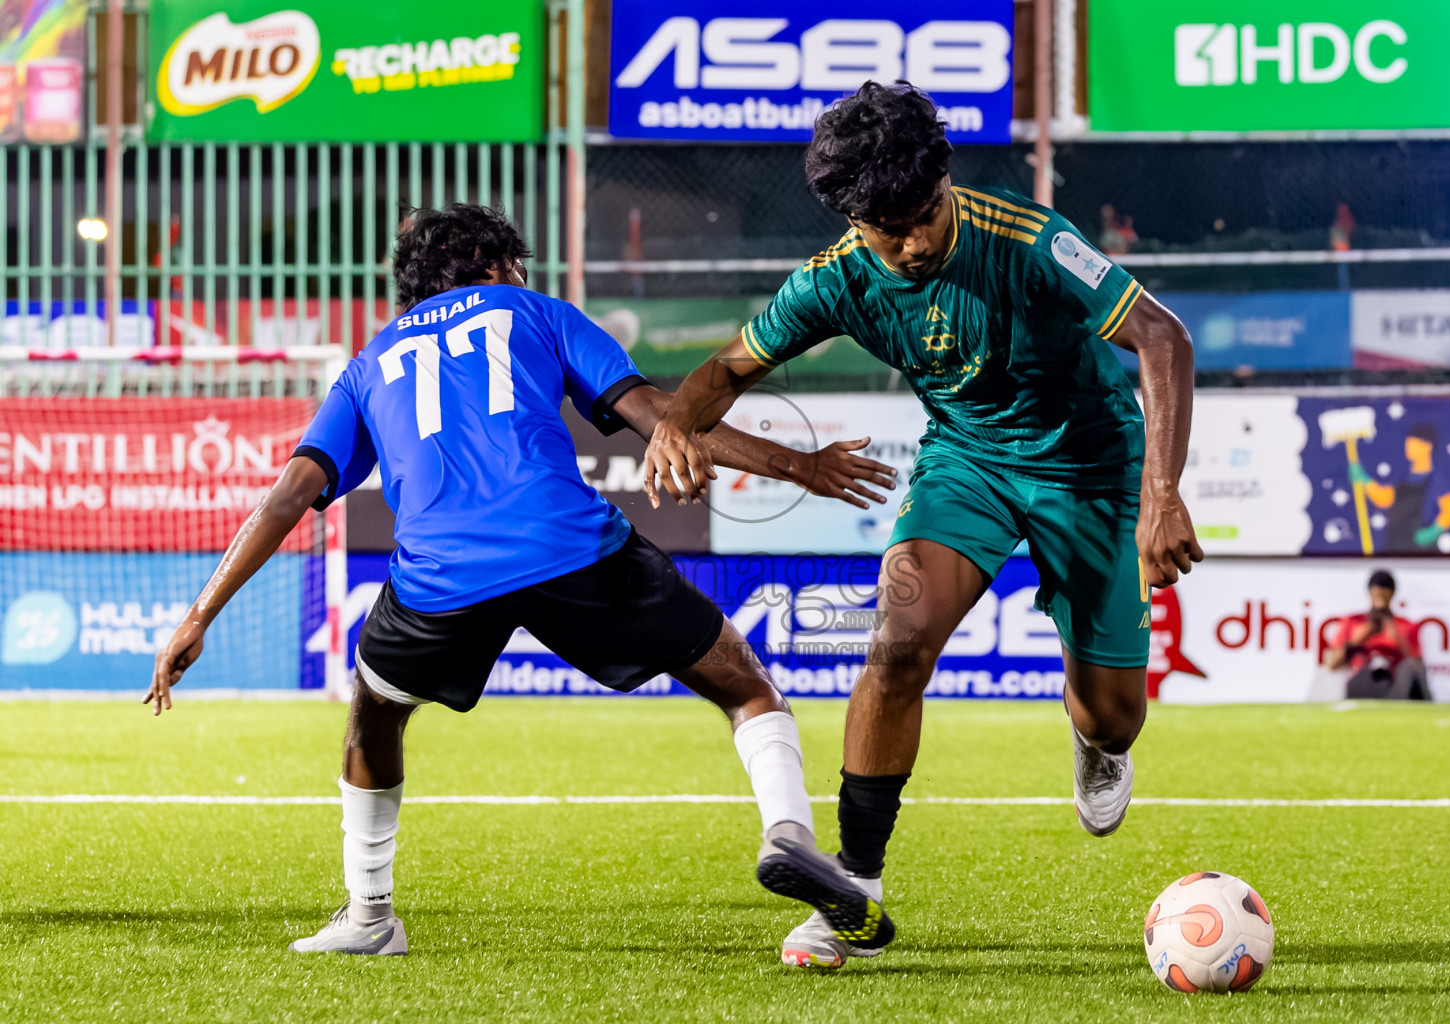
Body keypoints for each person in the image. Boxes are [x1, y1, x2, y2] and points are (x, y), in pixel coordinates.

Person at [145, 203, 901, 957]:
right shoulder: (537, 310)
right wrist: (801, 464)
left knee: (374, 714)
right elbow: (662, 416)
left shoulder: (369, 362)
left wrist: (199, 616)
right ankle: (789, 835)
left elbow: (287, 495)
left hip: (440, 578)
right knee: (744, 688)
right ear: (495, 262)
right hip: (570, 548)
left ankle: (371, 915)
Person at [642, 83, 1202, 969]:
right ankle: (852, 892)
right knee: (897, 640)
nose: (909, 244)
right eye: (884, 228)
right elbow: (728, 366)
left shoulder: (1030, 239)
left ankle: (1096, 742)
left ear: (945, 183)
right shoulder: (837, 278)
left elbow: (1163, 338)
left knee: (1115, 714)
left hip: (1096, 470)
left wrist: (1162, 494)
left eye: (922, 218)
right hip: (968, 465)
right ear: (851, 219)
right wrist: (677, 420)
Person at [1324, 569, 1430, 701]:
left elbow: (1416, 667)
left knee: (1410, 669)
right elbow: (1332, 664)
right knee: (1364, 674)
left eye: (1384, 593)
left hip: (1394, 683)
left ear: (1392, 595)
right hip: (1363, 678)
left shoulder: (1405, 626)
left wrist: (1398, 640)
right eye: (1377, 593)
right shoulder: (1353, 622)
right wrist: (1356, 641)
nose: (1380, 597)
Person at [1356, 423, 1450, 553]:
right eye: (1408, 444)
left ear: (1428, 446)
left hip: (1420, 550)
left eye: (1413, 444)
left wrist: (1433, 531)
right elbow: (1385, 499)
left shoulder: (1436, 480)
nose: (1408, 448)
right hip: (1394, 544)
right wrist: (1364, 480)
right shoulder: (1403, 477)